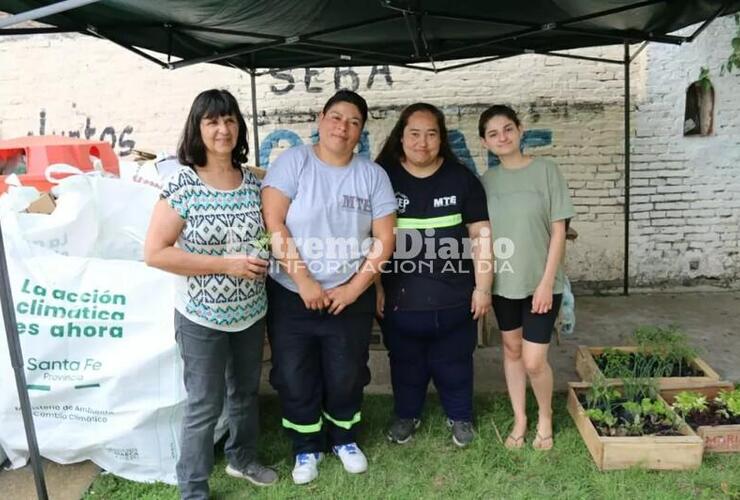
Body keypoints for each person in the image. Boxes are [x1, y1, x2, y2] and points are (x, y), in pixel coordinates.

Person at [144, 89, 277, 499]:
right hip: (200, 315)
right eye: (213, 122)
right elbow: (155, 253)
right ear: (197, 129)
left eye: (230, 120)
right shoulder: (182, 184)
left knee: (244, 391)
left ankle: (242, 458)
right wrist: (227, 264)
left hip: (251, 311)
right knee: (204, 403)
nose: (223, 129)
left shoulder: (254, 182)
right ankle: (193, 487)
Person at [261, 90, 396, 485]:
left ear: (361, 132)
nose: (344, 127)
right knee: (293, 372)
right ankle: (306, 448)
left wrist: (355, 289)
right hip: (291, 293)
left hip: (347, 297)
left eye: (354, 122)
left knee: (346, 372)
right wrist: (304, 281)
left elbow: (385, 240)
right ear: (321, 119)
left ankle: (344, 440)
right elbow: (274, 223)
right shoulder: (294, 162)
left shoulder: (372, 175)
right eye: (337, 117)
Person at [374, 103, 493, 447]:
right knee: (405, 364)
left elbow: (481, 235)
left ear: (441, 139)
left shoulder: (462, 179)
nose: (422, 142)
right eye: (414, 133)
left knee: (455, 363)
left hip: (454, 298)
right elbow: (371, 238)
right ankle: (406, 416)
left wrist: (483, 288)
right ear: (401, 136)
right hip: (400, 301)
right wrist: (376, 285)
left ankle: (460, 417)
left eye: (431, 134)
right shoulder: (382, 177)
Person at [478, 105, 575, 451]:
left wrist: (547, 282)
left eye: (507, 129)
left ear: (520, 130)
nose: (502, 137)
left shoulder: (547, 171)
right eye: (493, 133)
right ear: (485, 143)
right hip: (505, 283)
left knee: (535, 360)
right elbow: (482, 237)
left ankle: (545, 416)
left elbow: (559, 230)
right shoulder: (486, 182)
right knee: (512, 349)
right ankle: (520, 417)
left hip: (541, 283)